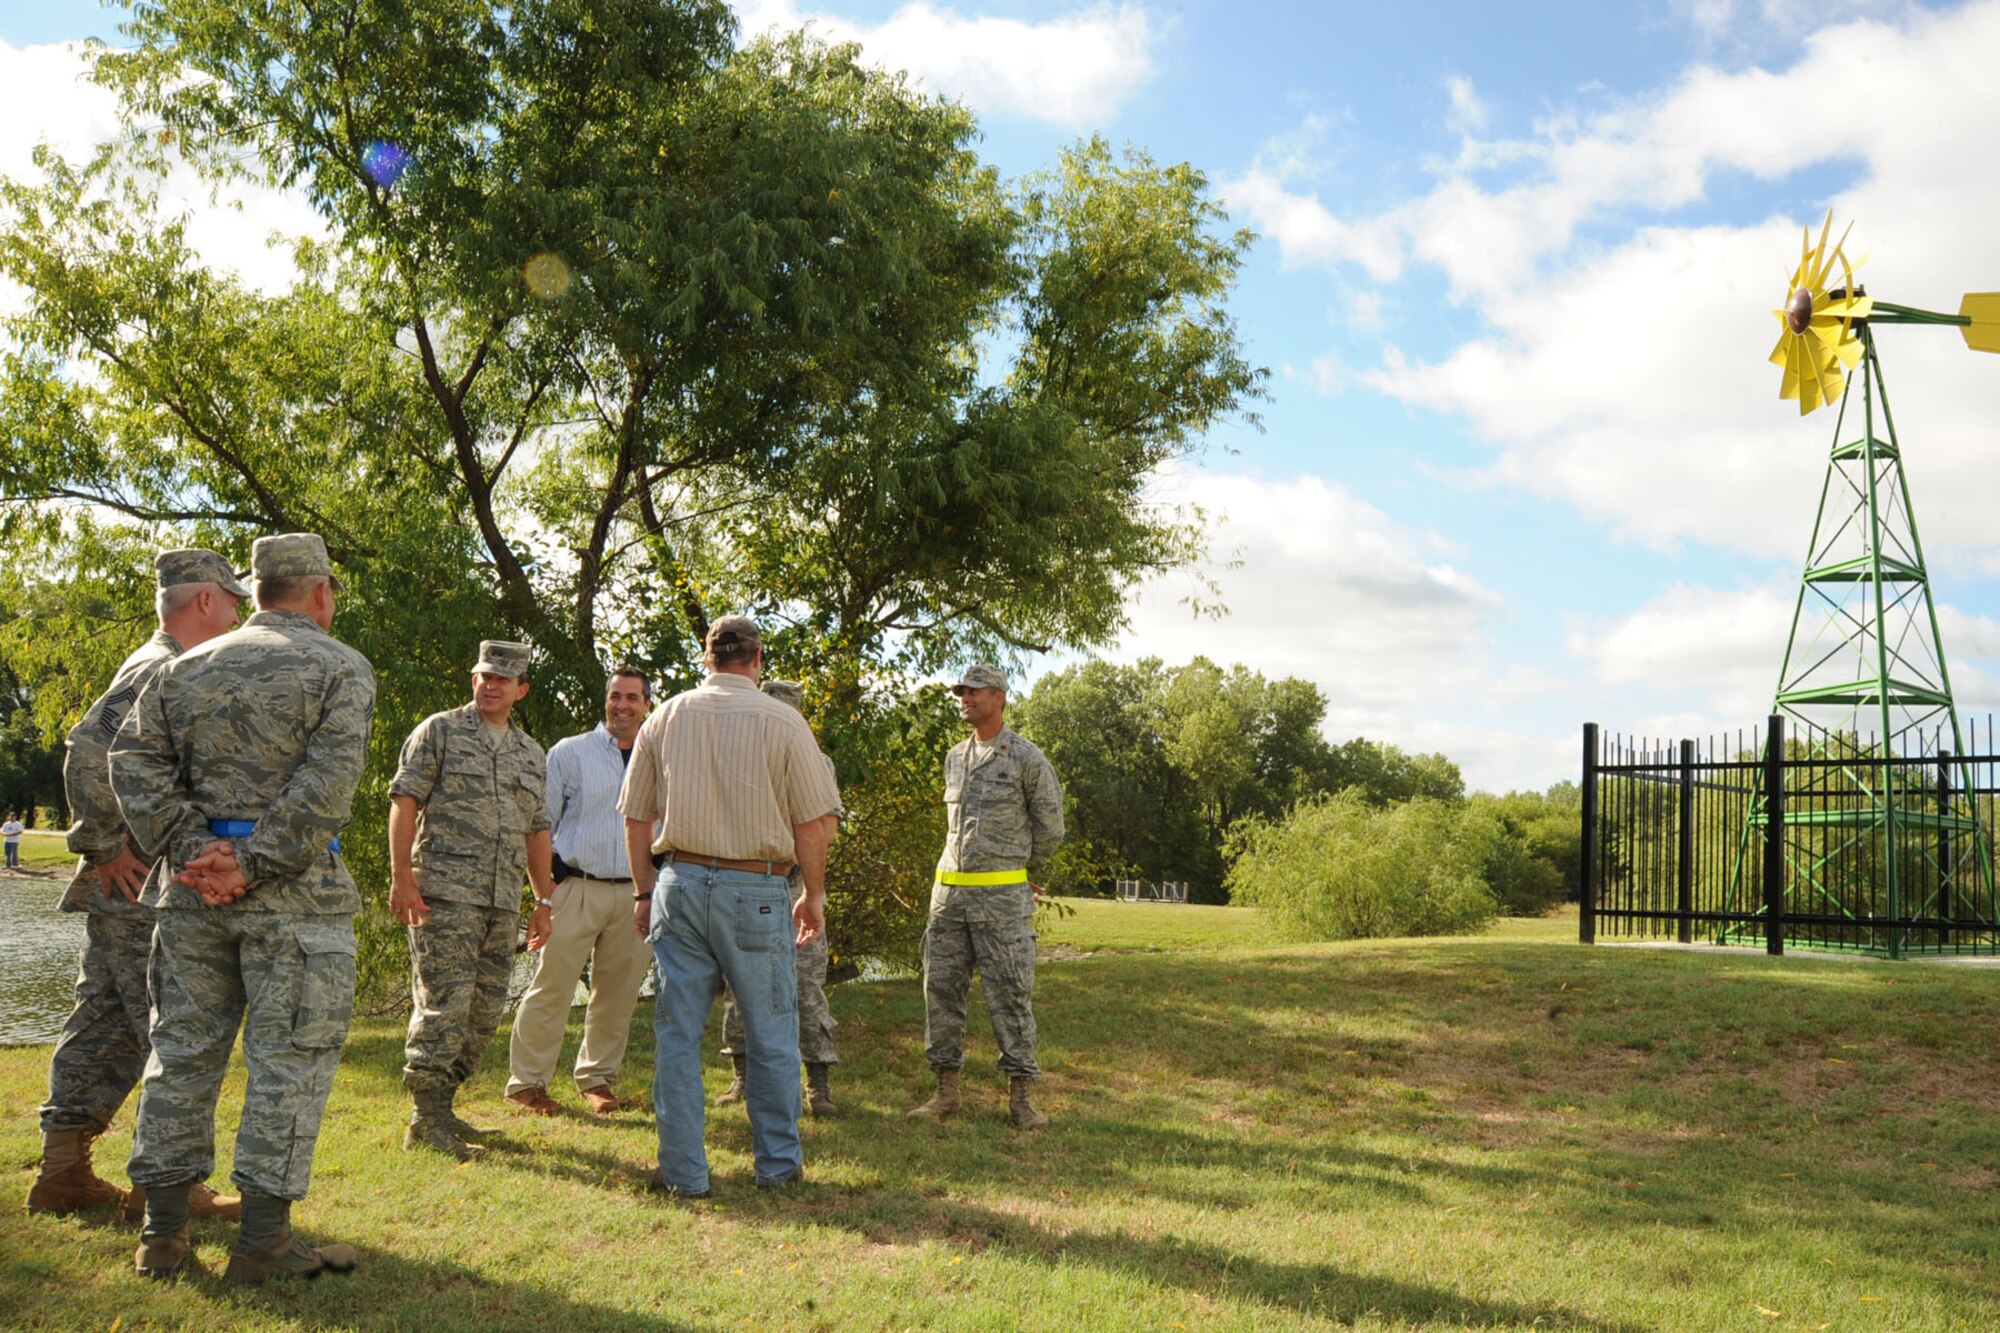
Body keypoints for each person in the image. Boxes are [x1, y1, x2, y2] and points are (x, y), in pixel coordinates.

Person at [110, 532, 375, 1284]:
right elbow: (328, 783)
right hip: (294, 900)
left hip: (189, 896)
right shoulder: (340, 665)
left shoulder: (183, 666)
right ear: (320, 591)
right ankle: (261, 1243)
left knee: (181, 1051)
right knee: (287, 1061)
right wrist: (251, 862)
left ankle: (161, 1237)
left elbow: (130, 761)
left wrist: (195, 849)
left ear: (257, 589)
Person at [27, 549, 247, 1220]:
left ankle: (63, 1172)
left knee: (106, 1022)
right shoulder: (165, 665)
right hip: (142, 885)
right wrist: (101, 842)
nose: (240, 612)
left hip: (131, 885)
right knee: (177, 1024)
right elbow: (88, 746)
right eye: (234, 600)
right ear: (204, 600)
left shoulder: (153, 660)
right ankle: (168, 1186)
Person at [620, 616, 841, 1197]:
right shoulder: (784, 721)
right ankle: (777, 1166)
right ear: (757, 659)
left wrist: (644, 890)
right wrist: (813, 895)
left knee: (676, 1034)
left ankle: (684, 1175)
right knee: (771, 1032)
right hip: (759, 888)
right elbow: (814, 825)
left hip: (679, 883)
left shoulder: (665, 715)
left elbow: (636, 815)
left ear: (707, 656)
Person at [389, 639, 556, 1159]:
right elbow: (404, 801)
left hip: (501, 902)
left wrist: (543, 901)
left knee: (483, 1015)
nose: (491, 685)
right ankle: (425, 1121)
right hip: (443, 895)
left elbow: (537, 830)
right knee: (444, 1007)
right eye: (484, 676)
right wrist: (402, 878)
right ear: (473, 679)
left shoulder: (531, 754)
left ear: (521, 690)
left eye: (503, 680)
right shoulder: (439, 731)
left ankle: (444, 1108)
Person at [907, 664, 1064, 1130]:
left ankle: (1021, 1100)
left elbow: (1050, 828)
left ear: (999, 697)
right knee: (940, 995)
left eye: (974, 691)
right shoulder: (955, 757)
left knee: (1011, 997)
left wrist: (1023, 873)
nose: (964, 698)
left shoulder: (1025, 758)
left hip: (1002, 905)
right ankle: (946, 1093)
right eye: (961, 691)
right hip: (948, 902)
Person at [505, 666, 656, 1117]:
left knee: (619, 993)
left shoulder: (660, 756)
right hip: (576, 887)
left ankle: (597, 1081)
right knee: (551, 987)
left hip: (637, 893)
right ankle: (526, 1084)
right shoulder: (569, 753)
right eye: (615, 696)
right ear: (605, 700)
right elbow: (540, 824)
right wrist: (544, 894)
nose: (622, 705)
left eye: (632, 697)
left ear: (647, 704)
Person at [715, 679, 843, 1117]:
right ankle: (742, 1079)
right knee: (740, 984)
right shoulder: (736, 760)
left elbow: (827, 828)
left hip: (795, 884)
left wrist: (811, 884)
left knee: (806, 986)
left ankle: (818, 1084)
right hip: (747, 883)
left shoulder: (818, 762)